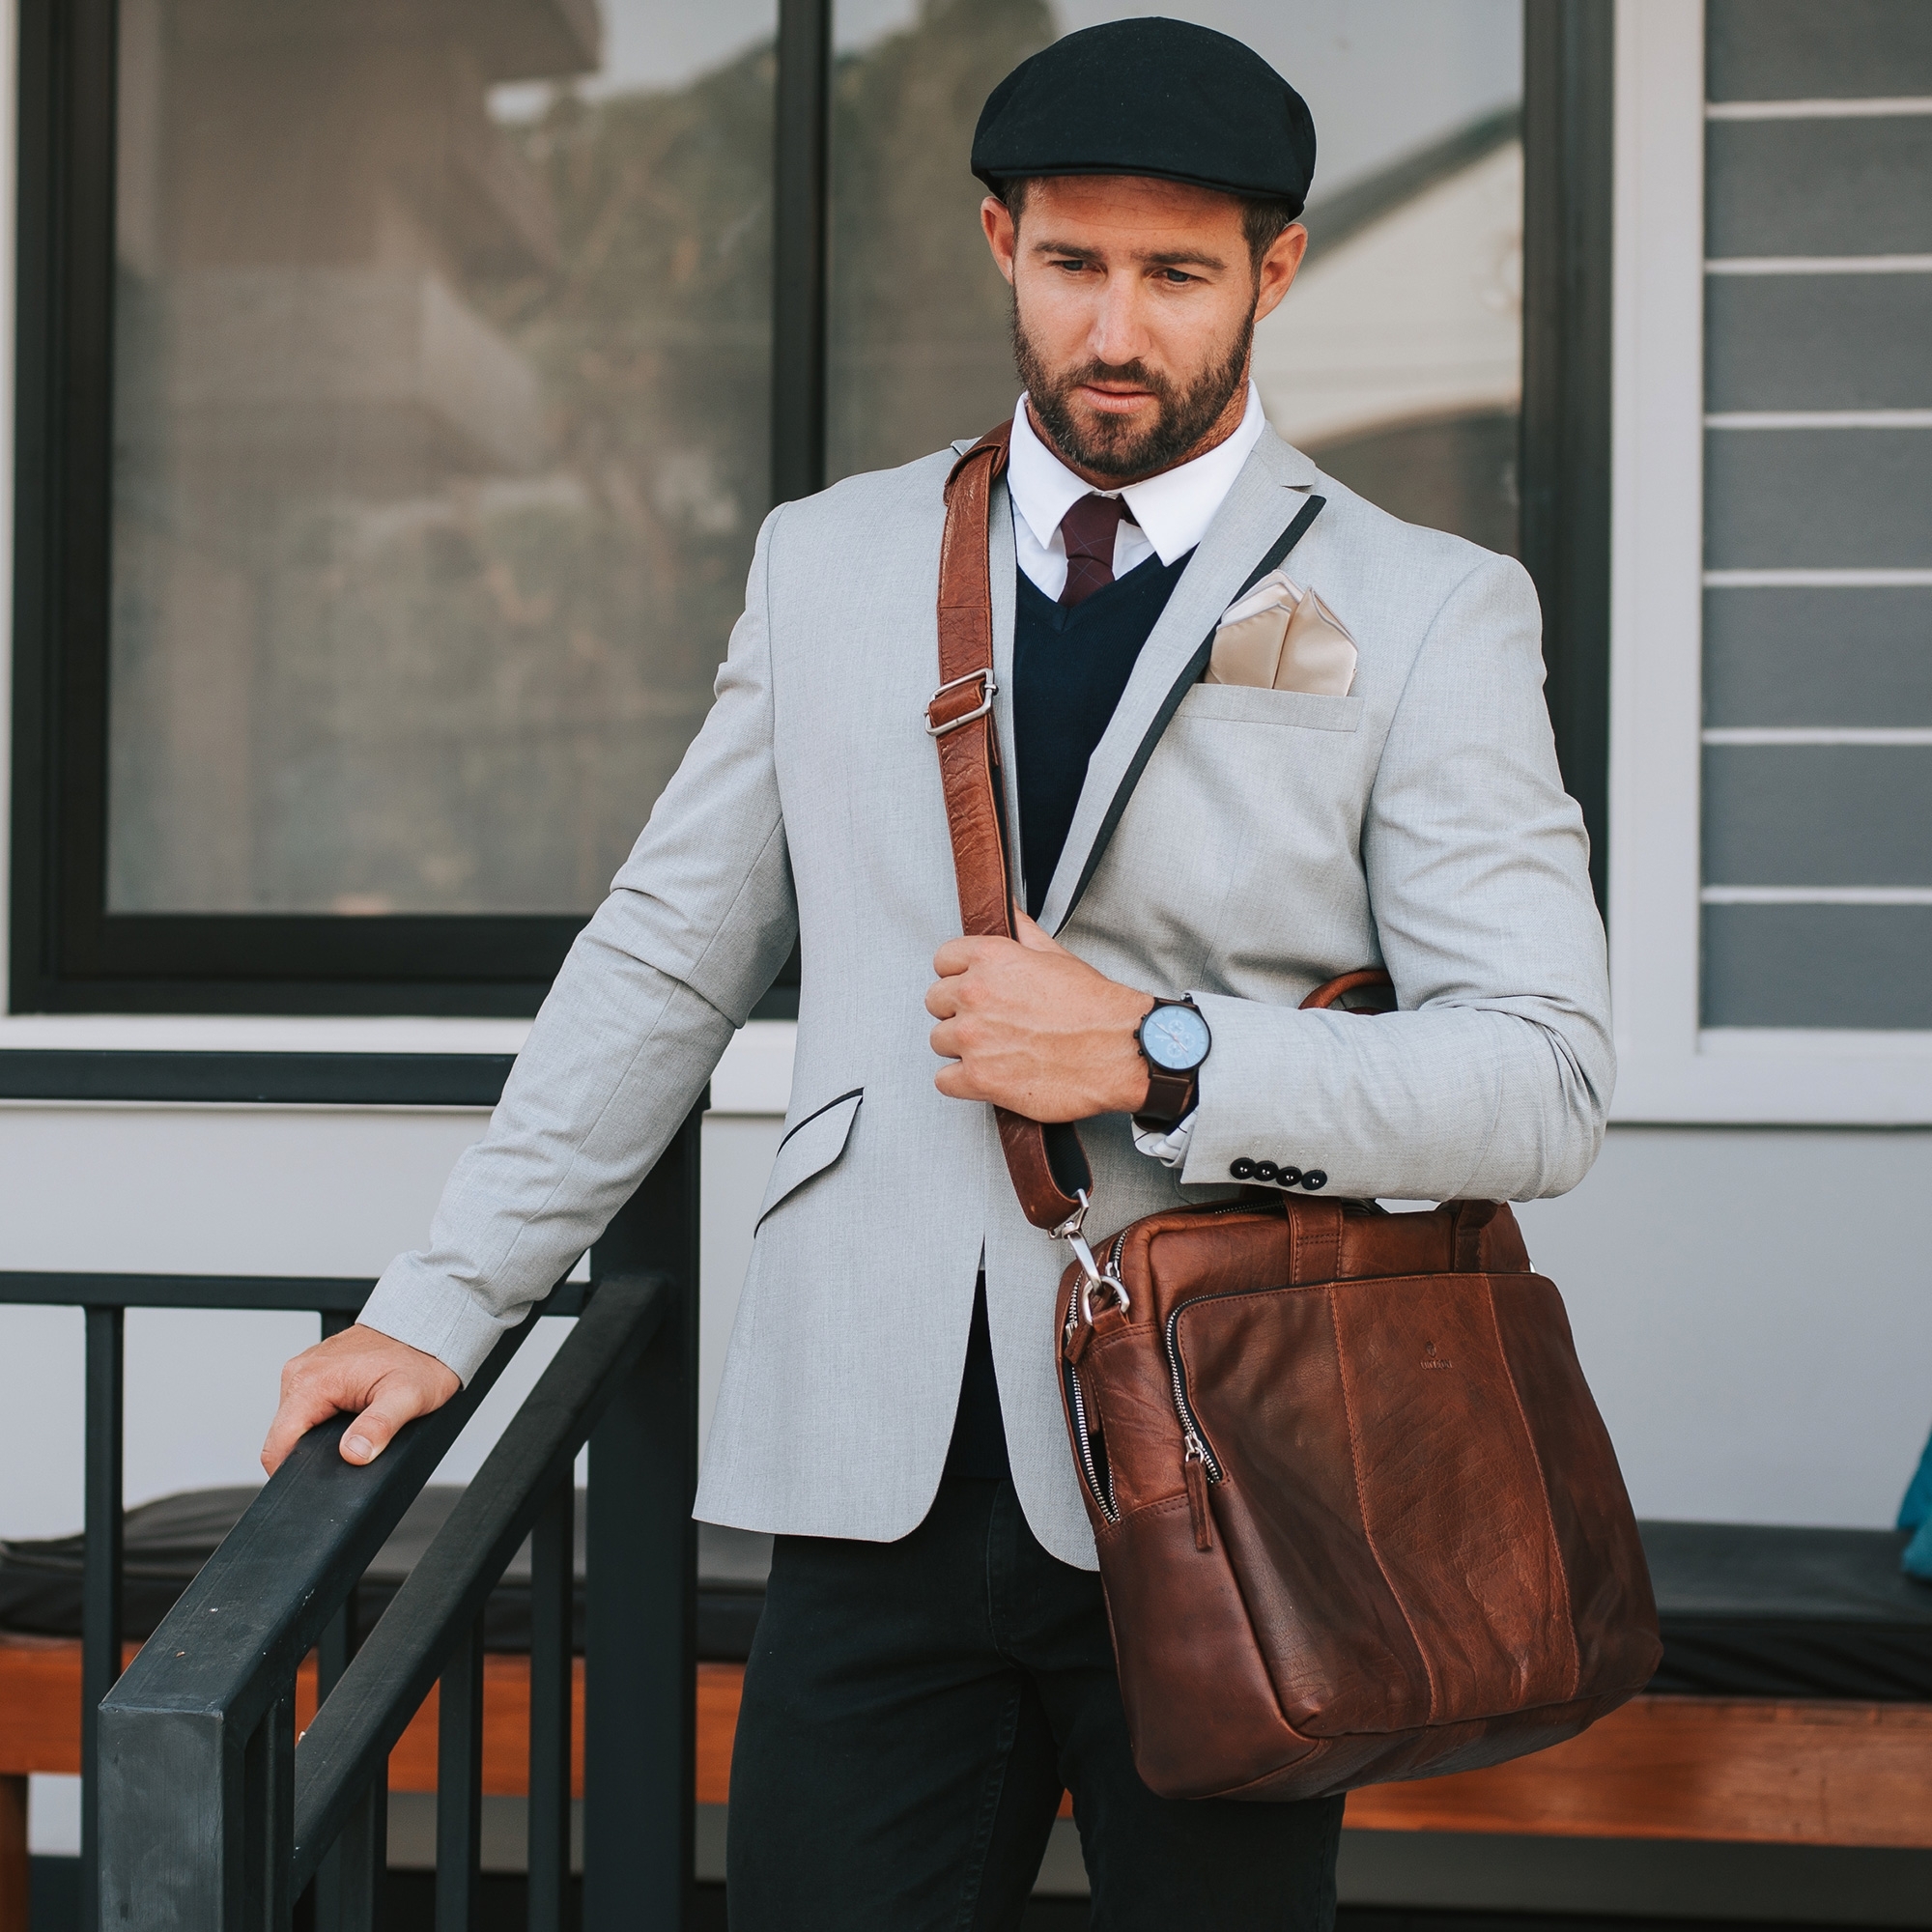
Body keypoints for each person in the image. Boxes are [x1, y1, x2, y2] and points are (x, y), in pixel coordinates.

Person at [262, 18, 1612, 1929]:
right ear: (998, 243)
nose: (1114, 329)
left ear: (1275, 269)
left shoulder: (1427, 605)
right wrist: (442, 1298)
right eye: (1071, 265)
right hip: (869, 1466)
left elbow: (1540, 1079)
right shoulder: (829, 560)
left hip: (1236, 1466)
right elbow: (665, 954)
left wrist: (1150, 1048)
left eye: (1175, 273)